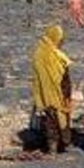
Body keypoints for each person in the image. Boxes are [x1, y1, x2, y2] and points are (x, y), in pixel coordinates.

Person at [31, 25, 73, 153]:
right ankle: (60, 144)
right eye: (60, 39)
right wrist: (67, 91)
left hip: (45, 94)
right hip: (58, 91)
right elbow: (64, 74)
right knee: (58, 117)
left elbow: (36, 77)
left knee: (50, 119)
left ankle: (53, 146)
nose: (61, 42)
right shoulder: (56, 55)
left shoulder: (38, 54)